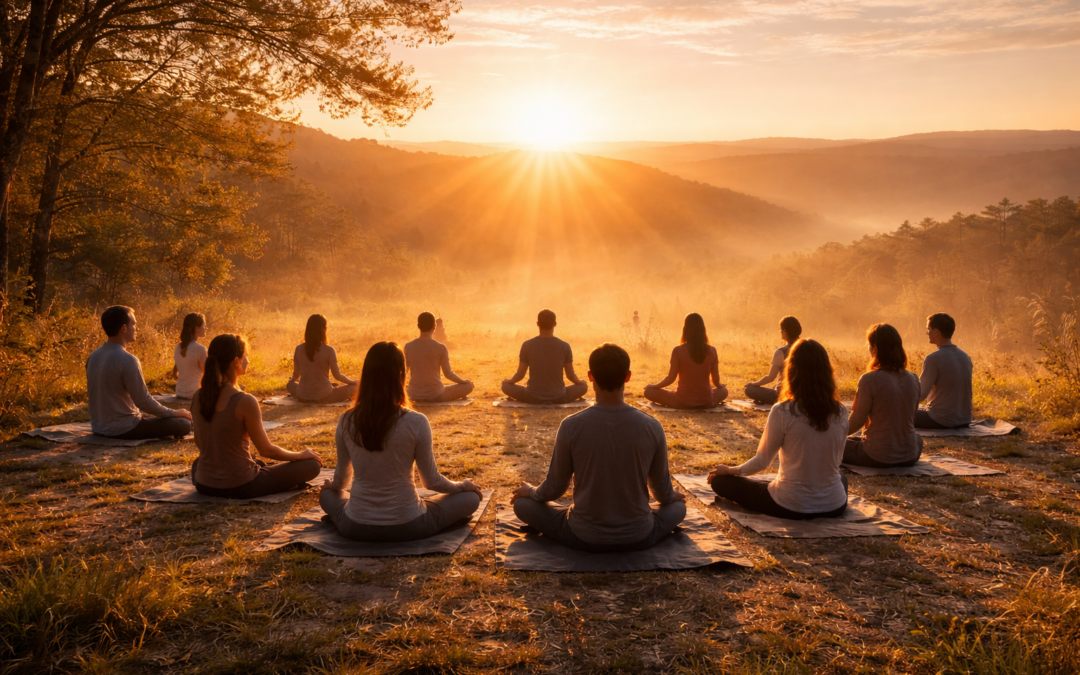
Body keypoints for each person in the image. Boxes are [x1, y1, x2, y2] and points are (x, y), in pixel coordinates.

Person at [512, 343, 687, 552]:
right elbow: (661, 493)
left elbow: (554, 489)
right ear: (628, 376)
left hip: (582, 536)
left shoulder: (571, 425)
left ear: (591, 376)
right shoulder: (652, 426)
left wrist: (530, 491)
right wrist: (672, 496)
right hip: (639, 535)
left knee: (522, 505)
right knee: (679, 507)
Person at [320, 342, 483, 542]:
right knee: (471, 498)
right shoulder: (416, 421)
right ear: (401, 375)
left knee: (327, 496)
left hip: (354, 526)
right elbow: (431, 482)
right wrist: (461, 485)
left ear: (366, 375)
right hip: (409, 525)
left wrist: (330, 485)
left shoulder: (346, 420)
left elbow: (342, 481)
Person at [709, 339, 849, 520]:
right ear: (826, 372)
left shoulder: (783, 411)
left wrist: (731, 470)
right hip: (834, 505)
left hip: (790, 505)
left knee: (720, 482)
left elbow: (762, 462)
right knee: (841, 478)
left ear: (792, 371)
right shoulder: (841, 411)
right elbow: (836, 461)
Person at [191, 334, 322, 498]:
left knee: (199, 463)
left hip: (204, 484)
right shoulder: (244, 401)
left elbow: (200, 443)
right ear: (236, 361)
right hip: (242, 486)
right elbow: (267, 450)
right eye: (246, 357)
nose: (249, 361)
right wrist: (301, 455)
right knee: (312, 465)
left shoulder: (198, 397)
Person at [86, 306, 193, 440]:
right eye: (134, 324)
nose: (136, 328)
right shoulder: (128, 360)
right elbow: (143, 401)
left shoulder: (93, 356)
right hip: (123, 429)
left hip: (98, 427)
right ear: (124, 328)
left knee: (160, 418)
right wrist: (173, 413)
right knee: (184, 424)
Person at [844, 324, 923, 468]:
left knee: (832, 445)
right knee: (917, 440)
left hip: (877, 456)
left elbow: (857, 420)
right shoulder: (913, 378)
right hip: (910, 455)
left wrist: (834, 435)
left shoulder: (869, 379)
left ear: (875, 348)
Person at [643, 313, 729, 409]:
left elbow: (671, 378)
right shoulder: (712, 350)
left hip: (681, 402)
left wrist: (655, 386)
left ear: (685, 329)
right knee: (724, 390)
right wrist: (720, 386)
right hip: (707, 402)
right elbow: (716, 380)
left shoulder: (678, 350)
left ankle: (676, 395)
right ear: (703, 330)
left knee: (648, 392)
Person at [501, 309, 588, 404]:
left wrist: (509, 381)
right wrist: (580, 382)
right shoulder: (565, 346)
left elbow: (520, 375)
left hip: (532, 397)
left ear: (537, 324)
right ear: (555, 324)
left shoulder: (527, 345)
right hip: (560, 397)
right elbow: (570, 375)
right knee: (583, 387)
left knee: (505, 386)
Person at [916, 313, 973, 429]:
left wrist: (899, 401)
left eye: (928, 329)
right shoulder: (965, 356)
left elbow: (920, 394)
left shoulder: (933, 358)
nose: (926, 332)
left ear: (936, 332)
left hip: (940, 420)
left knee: (896, 413)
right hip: (965, 419)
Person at [286, 314, 357, 404]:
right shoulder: (329, 350)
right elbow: (337, 376)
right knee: (355, 388)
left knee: (289, 385)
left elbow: (296, 375)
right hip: (325, 396)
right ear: (323, 330)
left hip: (302, 395)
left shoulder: (298, 349)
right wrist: (353, 382)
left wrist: (293, 382)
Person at [404, 312, 473, 402]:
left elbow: (404, 372)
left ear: (418, 326)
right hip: (437, 395)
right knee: (468, 386)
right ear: (434, 326)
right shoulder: (441, 347)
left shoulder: (408, 346)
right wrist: (463, 381)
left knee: (404, 388)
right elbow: (448, 374)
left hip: (413, 394)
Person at [744, 316, 801, 405]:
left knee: (749, 390)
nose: (780, 332)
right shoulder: (809, 348)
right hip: (805, 394)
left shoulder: (781, 352)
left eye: (781, 330)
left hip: (785, 395)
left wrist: (755, 383)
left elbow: (771, 377)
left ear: (785, 331)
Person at [172, 313, 207, 399]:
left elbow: (174, 373)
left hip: (179, 391)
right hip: (194, 393)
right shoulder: (200, 349)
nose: (205, 328)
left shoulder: (178, 347)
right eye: (204, 326)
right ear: (196, 328)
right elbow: (208, 374)